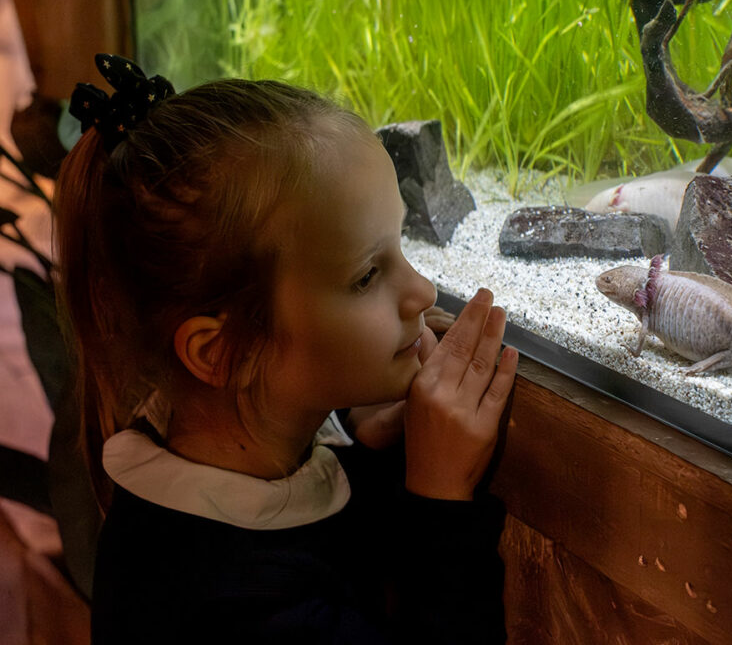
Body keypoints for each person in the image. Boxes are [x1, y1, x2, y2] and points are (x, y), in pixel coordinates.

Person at [52, 54, 518, 644]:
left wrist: (370, 450)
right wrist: (442, 498)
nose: (423, 290)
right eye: (367, 275)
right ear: (219, 352)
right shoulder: (221, 601)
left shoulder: (213, 475)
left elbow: (317, 545)